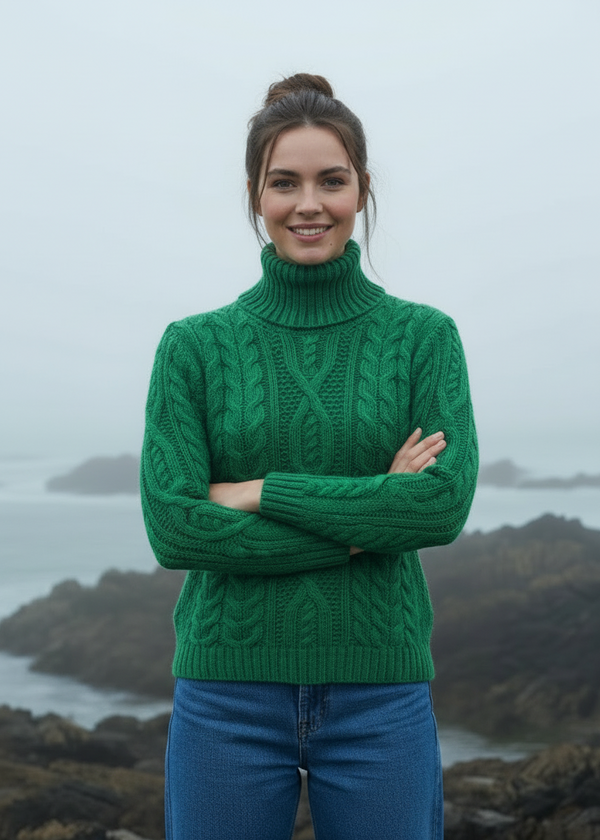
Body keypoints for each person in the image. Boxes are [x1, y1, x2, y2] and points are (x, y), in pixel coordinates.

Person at [140, 73, 478, 840]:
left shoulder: (424, 338)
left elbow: (438, 505)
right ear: (255, 195)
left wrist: (256, 489)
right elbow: (176, 528)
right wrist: (365, 524)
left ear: (362, 188)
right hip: (225, 695)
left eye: (332, 180)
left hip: (380, 691)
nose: (309, 204)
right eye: (284, 182)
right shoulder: (193, 347)